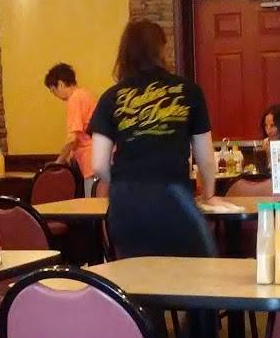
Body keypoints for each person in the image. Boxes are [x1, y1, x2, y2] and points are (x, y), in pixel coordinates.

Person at [89, 20, 222, 259]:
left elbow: (98, 164)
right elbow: (205, 158)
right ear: (161, 49)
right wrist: (209, 195)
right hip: (171, 194)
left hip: (125, 203)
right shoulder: (188, 90)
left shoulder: (110, 97)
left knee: (136, 272)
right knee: (204, 267)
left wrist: (121, 184)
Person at [44, 62, 97, 195]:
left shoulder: (74, 99)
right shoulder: (86, 94)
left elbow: (72, 138)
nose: (55, 95)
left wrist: (58, 162)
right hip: (102, 158)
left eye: (53, 90)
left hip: (91, 161)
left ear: (61, 84)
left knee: (92, 205)